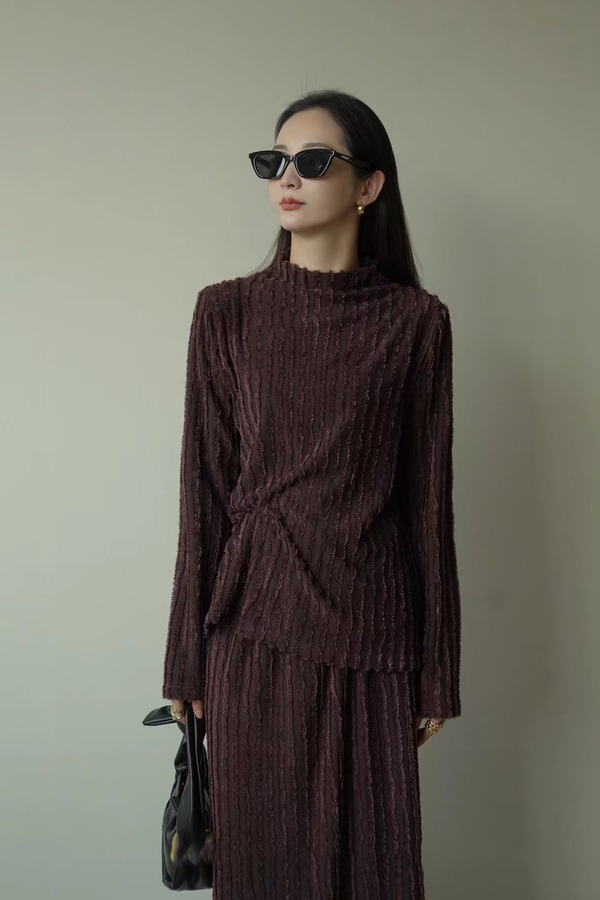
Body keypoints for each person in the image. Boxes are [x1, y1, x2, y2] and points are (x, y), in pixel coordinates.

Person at [162, 88, 462, 900]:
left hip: (375, 632)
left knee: (375, 869)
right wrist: (184, 660)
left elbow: (428, 505)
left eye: (314, 161)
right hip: (253, 629)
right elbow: (204, 496)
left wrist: (438, 669)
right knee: (263, 869)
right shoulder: (226, 314)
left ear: (369, 185)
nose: (287, 178)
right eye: (274, 162)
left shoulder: (416, 323)